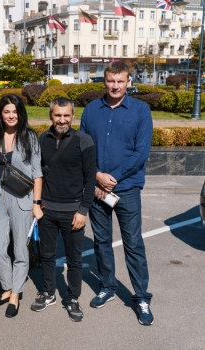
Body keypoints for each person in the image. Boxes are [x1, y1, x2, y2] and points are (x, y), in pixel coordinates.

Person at [80, 61, 154, 326]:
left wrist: (113, 178)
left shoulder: (140, 111)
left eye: (120, 81)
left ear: (128, 82)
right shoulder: (91, 110)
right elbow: (83, 146)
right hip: (97, 189)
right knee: (101, 241)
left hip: (128, 188)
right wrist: (97, 175)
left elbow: (141, 152)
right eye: (111, 81)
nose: (115, 86)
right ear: (105, 81)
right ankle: (108, 286)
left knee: (133, 244)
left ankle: (142, 296)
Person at [30, 97, 96, 322]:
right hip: (47, 209)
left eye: (66, 115)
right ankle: (49, 293)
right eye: (58, 115)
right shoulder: (42, 139)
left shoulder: (83, 141)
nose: (62, 120)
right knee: (47, 256)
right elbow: (37, 175)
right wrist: (36, 204)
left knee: (74, 259)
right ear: (51, 116)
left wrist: (83, 210)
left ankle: (73, 298)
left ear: (73, 116)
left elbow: (90, 180)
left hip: (73, 212)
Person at [0, 94, 43, 318]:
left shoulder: (29, 137)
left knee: (21, 250)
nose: (11, 116)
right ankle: (7, 286)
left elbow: (37, 173)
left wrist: (37, 204)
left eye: (15, 111)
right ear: (1, 113)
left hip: (23, 199)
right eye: (7, 111)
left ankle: (15, 294)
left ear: (21, 113)